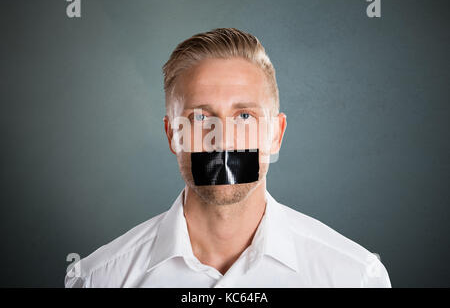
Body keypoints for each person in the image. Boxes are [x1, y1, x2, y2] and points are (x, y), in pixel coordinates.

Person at [65, 28, 391, 288]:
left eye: (245, 117)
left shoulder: (354, 277)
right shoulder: (98, 279)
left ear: (275, 134)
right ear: (172, 135)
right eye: (200, 118)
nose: (223, 140)